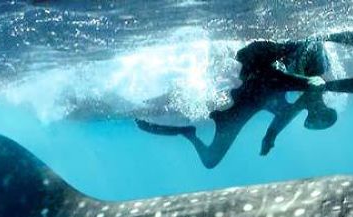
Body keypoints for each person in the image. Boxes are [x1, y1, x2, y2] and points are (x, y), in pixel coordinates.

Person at [135, 40, 335, 169]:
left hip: (256, 100)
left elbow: (286, 115)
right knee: (210, 159)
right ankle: (155, 108)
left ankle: (188, 133)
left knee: (210, 160)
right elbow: (273, 80)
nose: (313, 111)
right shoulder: (314, 82)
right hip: (249, 91)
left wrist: (269, 136)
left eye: (313, 117)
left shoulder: (307, 96)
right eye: (317, 114)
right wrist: (307, 83)